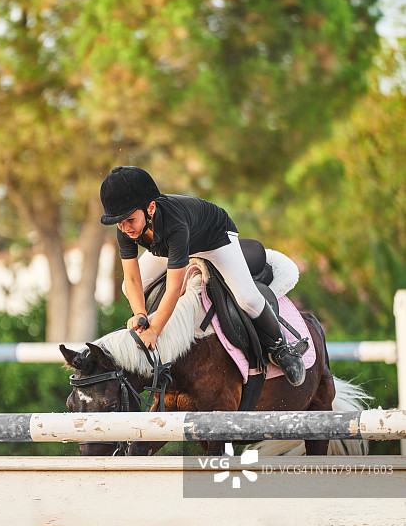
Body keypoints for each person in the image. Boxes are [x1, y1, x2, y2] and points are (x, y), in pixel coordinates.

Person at [99, 165, 306, 386]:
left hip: (214, 239)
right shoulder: (126, 228)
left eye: (129, 220)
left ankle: (281, 347)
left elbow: (174, 287)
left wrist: (154, 331)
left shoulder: (174, 225)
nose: (124, 228)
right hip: (169, 246)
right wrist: (140, 314)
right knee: (128, 289)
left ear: (150, 208)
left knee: (248, 299)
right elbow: (131, 279)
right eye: (118, 222)